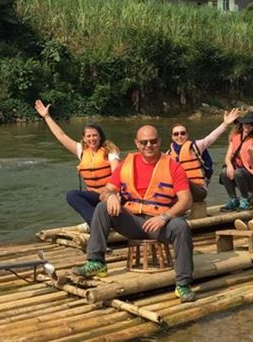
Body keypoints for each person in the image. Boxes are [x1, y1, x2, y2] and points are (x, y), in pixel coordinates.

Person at [72, 125, 196, 303]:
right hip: (131, 221)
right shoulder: (127, 163)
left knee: (181, 226)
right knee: (102, 207)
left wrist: (164, 217)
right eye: (144, 142)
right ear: (137, 143)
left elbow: (186, 200)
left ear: (159, 141)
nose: (149, 145)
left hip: (159, 223)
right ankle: (96, 261)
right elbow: (106, 190)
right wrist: (112, 196)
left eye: (153, 141)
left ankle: (183, 285)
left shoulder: (173, 166)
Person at [34, 99, 120, 226]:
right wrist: (47, 116)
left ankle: (98, 223)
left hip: (109, 196)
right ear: (84, 139)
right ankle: (96, 223)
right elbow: (61, 136)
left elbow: (118, 175)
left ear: (100, 136)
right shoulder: (81, 151)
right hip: (94, 197)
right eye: (88, 136)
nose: (92, 139)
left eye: (95, 135)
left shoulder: (110, 151)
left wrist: (114, 196)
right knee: (72, 195)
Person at [167, 108, 241, 202]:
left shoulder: (196, 146)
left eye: (182, 133)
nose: (179, 136)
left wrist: (225, 124)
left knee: (181, 179)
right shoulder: (168, 154)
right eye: (176, 134)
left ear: (187, 135)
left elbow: (211, 137)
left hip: (198, 191)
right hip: (179, 193)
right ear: (172, 137)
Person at [220, 111, 253, 211]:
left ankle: (245, 199)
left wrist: (250, 154)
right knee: (224, 172)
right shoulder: (235, 137)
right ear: (242, 123)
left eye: (251, 124)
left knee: (238, 172)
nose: (248, 126)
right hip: (239, 175)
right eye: (246, 123)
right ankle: (233, 199)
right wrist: (229, 165)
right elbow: (227, 158)